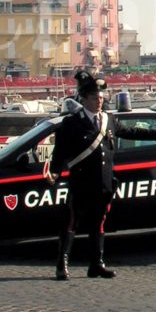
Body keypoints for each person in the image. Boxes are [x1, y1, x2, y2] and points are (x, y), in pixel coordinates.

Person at [46, 69, 119, 280]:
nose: (99, 101)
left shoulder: (108, 120)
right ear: (84, 98)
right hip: (81, 183)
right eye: (95, 98)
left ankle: (96, 264)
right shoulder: (72, 123)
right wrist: (55, 173)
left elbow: (128, 131)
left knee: (99, 224)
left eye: (102, 98)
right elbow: (60, 153)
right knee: (71, 224)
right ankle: (62, 265)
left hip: (103, 183)